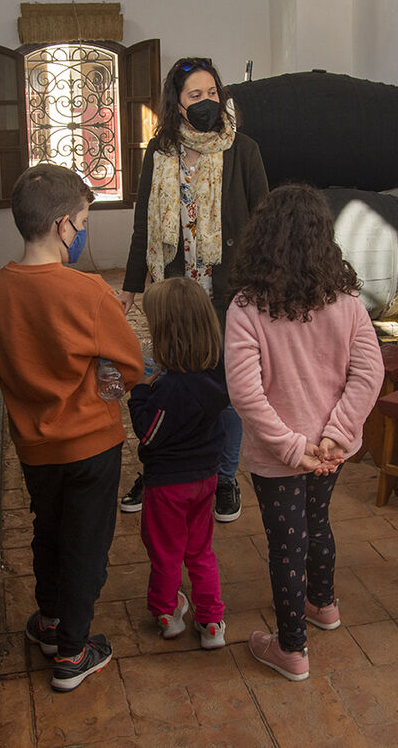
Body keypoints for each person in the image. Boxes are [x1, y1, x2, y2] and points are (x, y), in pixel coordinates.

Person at [0, 163, 143, 692]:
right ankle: (73, 652)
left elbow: (7, 357)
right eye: (82, 220)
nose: (83, 231)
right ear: (61, 226)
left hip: (34, 448)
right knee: (86, 546)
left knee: (48, 531)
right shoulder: (89, 293)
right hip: (91, 447)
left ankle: (49, 623)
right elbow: (132, 368)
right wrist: (102, 377)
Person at [224, 184, 385, 682]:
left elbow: (245, 395)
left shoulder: (246, 307)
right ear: (324, 239)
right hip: (330, 451)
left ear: (262, 236)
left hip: (281, 455)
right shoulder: (347, 301)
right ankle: (324, 604)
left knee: (287, 542)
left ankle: (292, 649)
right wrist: (335, 437)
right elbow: (369, 373)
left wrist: (295, 449)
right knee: (316, 523)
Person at [118, 57, 269, 524]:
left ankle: (223, 479)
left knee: (226, 388)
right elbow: (145, 224)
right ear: (178, 105)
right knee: (169, 382)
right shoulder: (159, 152)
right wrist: (128, 287)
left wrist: (268, 289)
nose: (206, 102)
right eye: (194, 95)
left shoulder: (243, 150)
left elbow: (264, 223)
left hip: (229, 292)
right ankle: (160, 469)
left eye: (211, 93)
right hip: (176, 292)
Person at [127, 277, 230, 649]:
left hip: (168, 484)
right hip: (205, 478)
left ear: (166, 333)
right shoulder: (216, 374)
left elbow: (148, 432)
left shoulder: (170, 388)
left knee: (166, 551)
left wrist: (140, 390)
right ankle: (212, 621)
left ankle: (168, 613)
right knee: (200, 550)